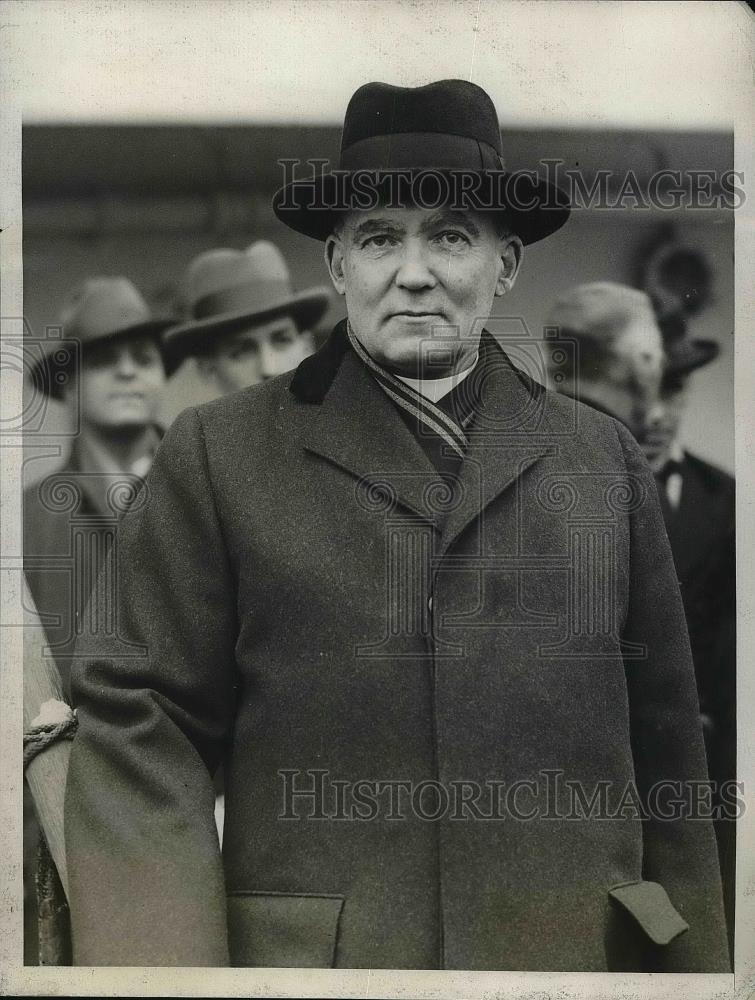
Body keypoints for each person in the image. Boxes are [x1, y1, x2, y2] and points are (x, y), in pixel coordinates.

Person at [64, 80, 728, 971]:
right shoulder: (217, 456)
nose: (412, 271)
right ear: (338, 266)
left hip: (566, 968)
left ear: (505, 264)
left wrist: (693, 977)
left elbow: (669, 759)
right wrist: (173, 978)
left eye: (450, 235)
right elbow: (140, 727)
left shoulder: (603, 462)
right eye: (378, 237)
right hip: (316, 976)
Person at [545, 284, 736, 956]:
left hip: (698, 784)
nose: (657, 408)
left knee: (689, 940)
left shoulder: (728, 503)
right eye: (648, 381)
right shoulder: (563, 483)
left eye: (675, 388)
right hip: (578, 791)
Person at [23, 276, 173, 963]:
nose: (129, 368)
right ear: (69, 384)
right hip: (75, 817)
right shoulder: (27, 519)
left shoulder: (211, 494)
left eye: (144, 352)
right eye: (104, 355)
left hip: (207, 803)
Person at [163, 240, 330, 395]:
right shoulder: (190, 427)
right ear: (208, 370)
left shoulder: (345, 425)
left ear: (307, 349)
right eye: (242, 351)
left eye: (282, 340)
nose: (269, 369)